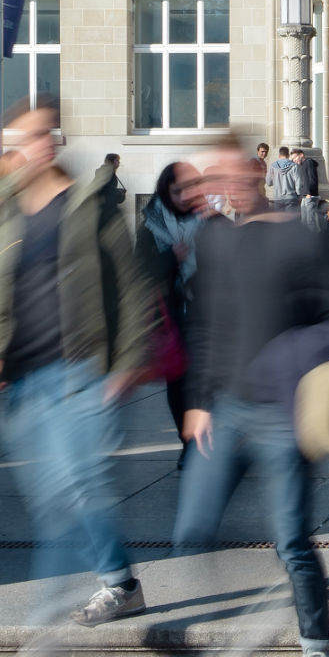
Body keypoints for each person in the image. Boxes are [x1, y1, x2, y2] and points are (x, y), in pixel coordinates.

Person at [0, 97, 152, 628]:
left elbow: (131, 288)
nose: (32, 148)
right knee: (52, 500)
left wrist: (127, 363)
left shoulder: (90, 204)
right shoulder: (4, 213)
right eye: (20, 141)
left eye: (41, 136)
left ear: (54, 142)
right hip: (24, 380)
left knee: (77, 485)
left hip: (83, 371)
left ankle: (60, 618)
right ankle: (122, 584)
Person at [176, 135, 329, 657]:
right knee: (192, 529)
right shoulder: (217, 240)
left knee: (292, 540)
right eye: (211, 179)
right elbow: (206, 324)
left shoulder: (300, 238)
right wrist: (198, 401)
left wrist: (319, 384)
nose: (221, 187)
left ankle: (318, 652)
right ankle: (241, 619)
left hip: (282, 411)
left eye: (229, 174)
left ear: (257, 173)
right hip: (228, 407)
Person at [137, 161, 206, 467]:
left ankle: (208, 443)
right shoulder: (151, 226)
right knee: (178, 384)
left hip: (208, 314)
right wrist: (170, 259)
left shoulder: (209, 221)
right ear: (165, 192)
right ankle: (188, 442)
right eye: (177, 191)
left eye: (189, 189)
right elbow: (140, 273)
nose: (184, 196)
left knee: (207, 383)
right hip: (172, 316)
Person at [267, 146, 303, 211]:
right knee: (291, 220)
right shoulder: (294, 166)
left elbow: (269, 182)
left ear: (279, 155)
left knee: (279, 220)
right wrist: (299, 195)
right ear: (288, 155)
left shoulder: (273, 166)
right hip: (291, 197)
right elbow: (298, 182)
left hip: (278, 197)